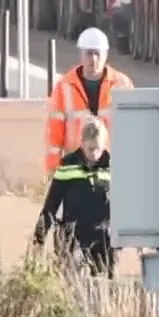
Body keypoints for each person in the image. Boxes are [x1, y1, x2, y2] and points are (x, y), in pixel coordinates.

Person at [44, 27, 135, 173]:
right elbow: (54, 134)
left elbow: (134, 130)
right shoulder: (64, 86)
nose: (93, 59)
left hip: (113, 166)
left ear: (105, 55)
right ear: (81, 55)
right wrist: (54, 173)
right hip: (76, 166)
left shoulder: (122, 84)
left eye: (97, 54)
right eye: (89, 53)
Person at [32, 118, 114, 275]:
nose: (94, 153)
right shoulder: (68, 166)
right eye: (90, 149)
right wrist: (39, 239)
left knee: (104, 286)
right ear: (82, 143)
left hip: (102, 238)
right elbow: (51, 206)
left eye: (98, 149)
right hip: (73, 237)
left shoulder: (112, 167)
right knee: (70, 281)